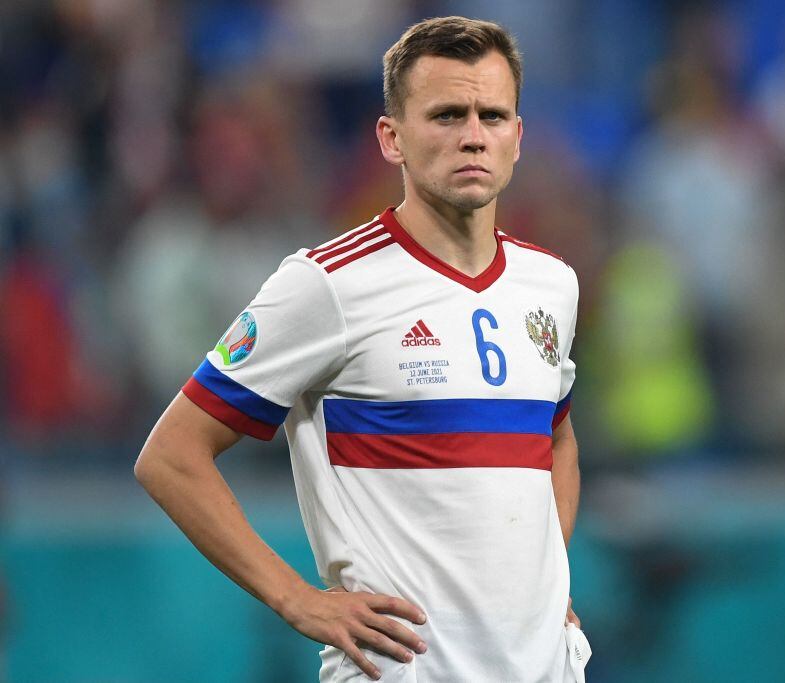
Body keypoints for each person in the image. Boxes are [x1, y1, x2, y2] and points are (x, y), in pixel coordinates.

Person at [134, 16, 587, 682]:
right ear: (391, 138)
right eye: (446, 115)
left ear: (517, 138)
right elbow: (170, 456)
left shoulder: (551, 283)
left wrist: (546, 581)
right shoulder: (327, 286)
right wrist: (295, 597)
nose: (472, 135)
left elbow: (557, 438)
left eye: (492, 115)